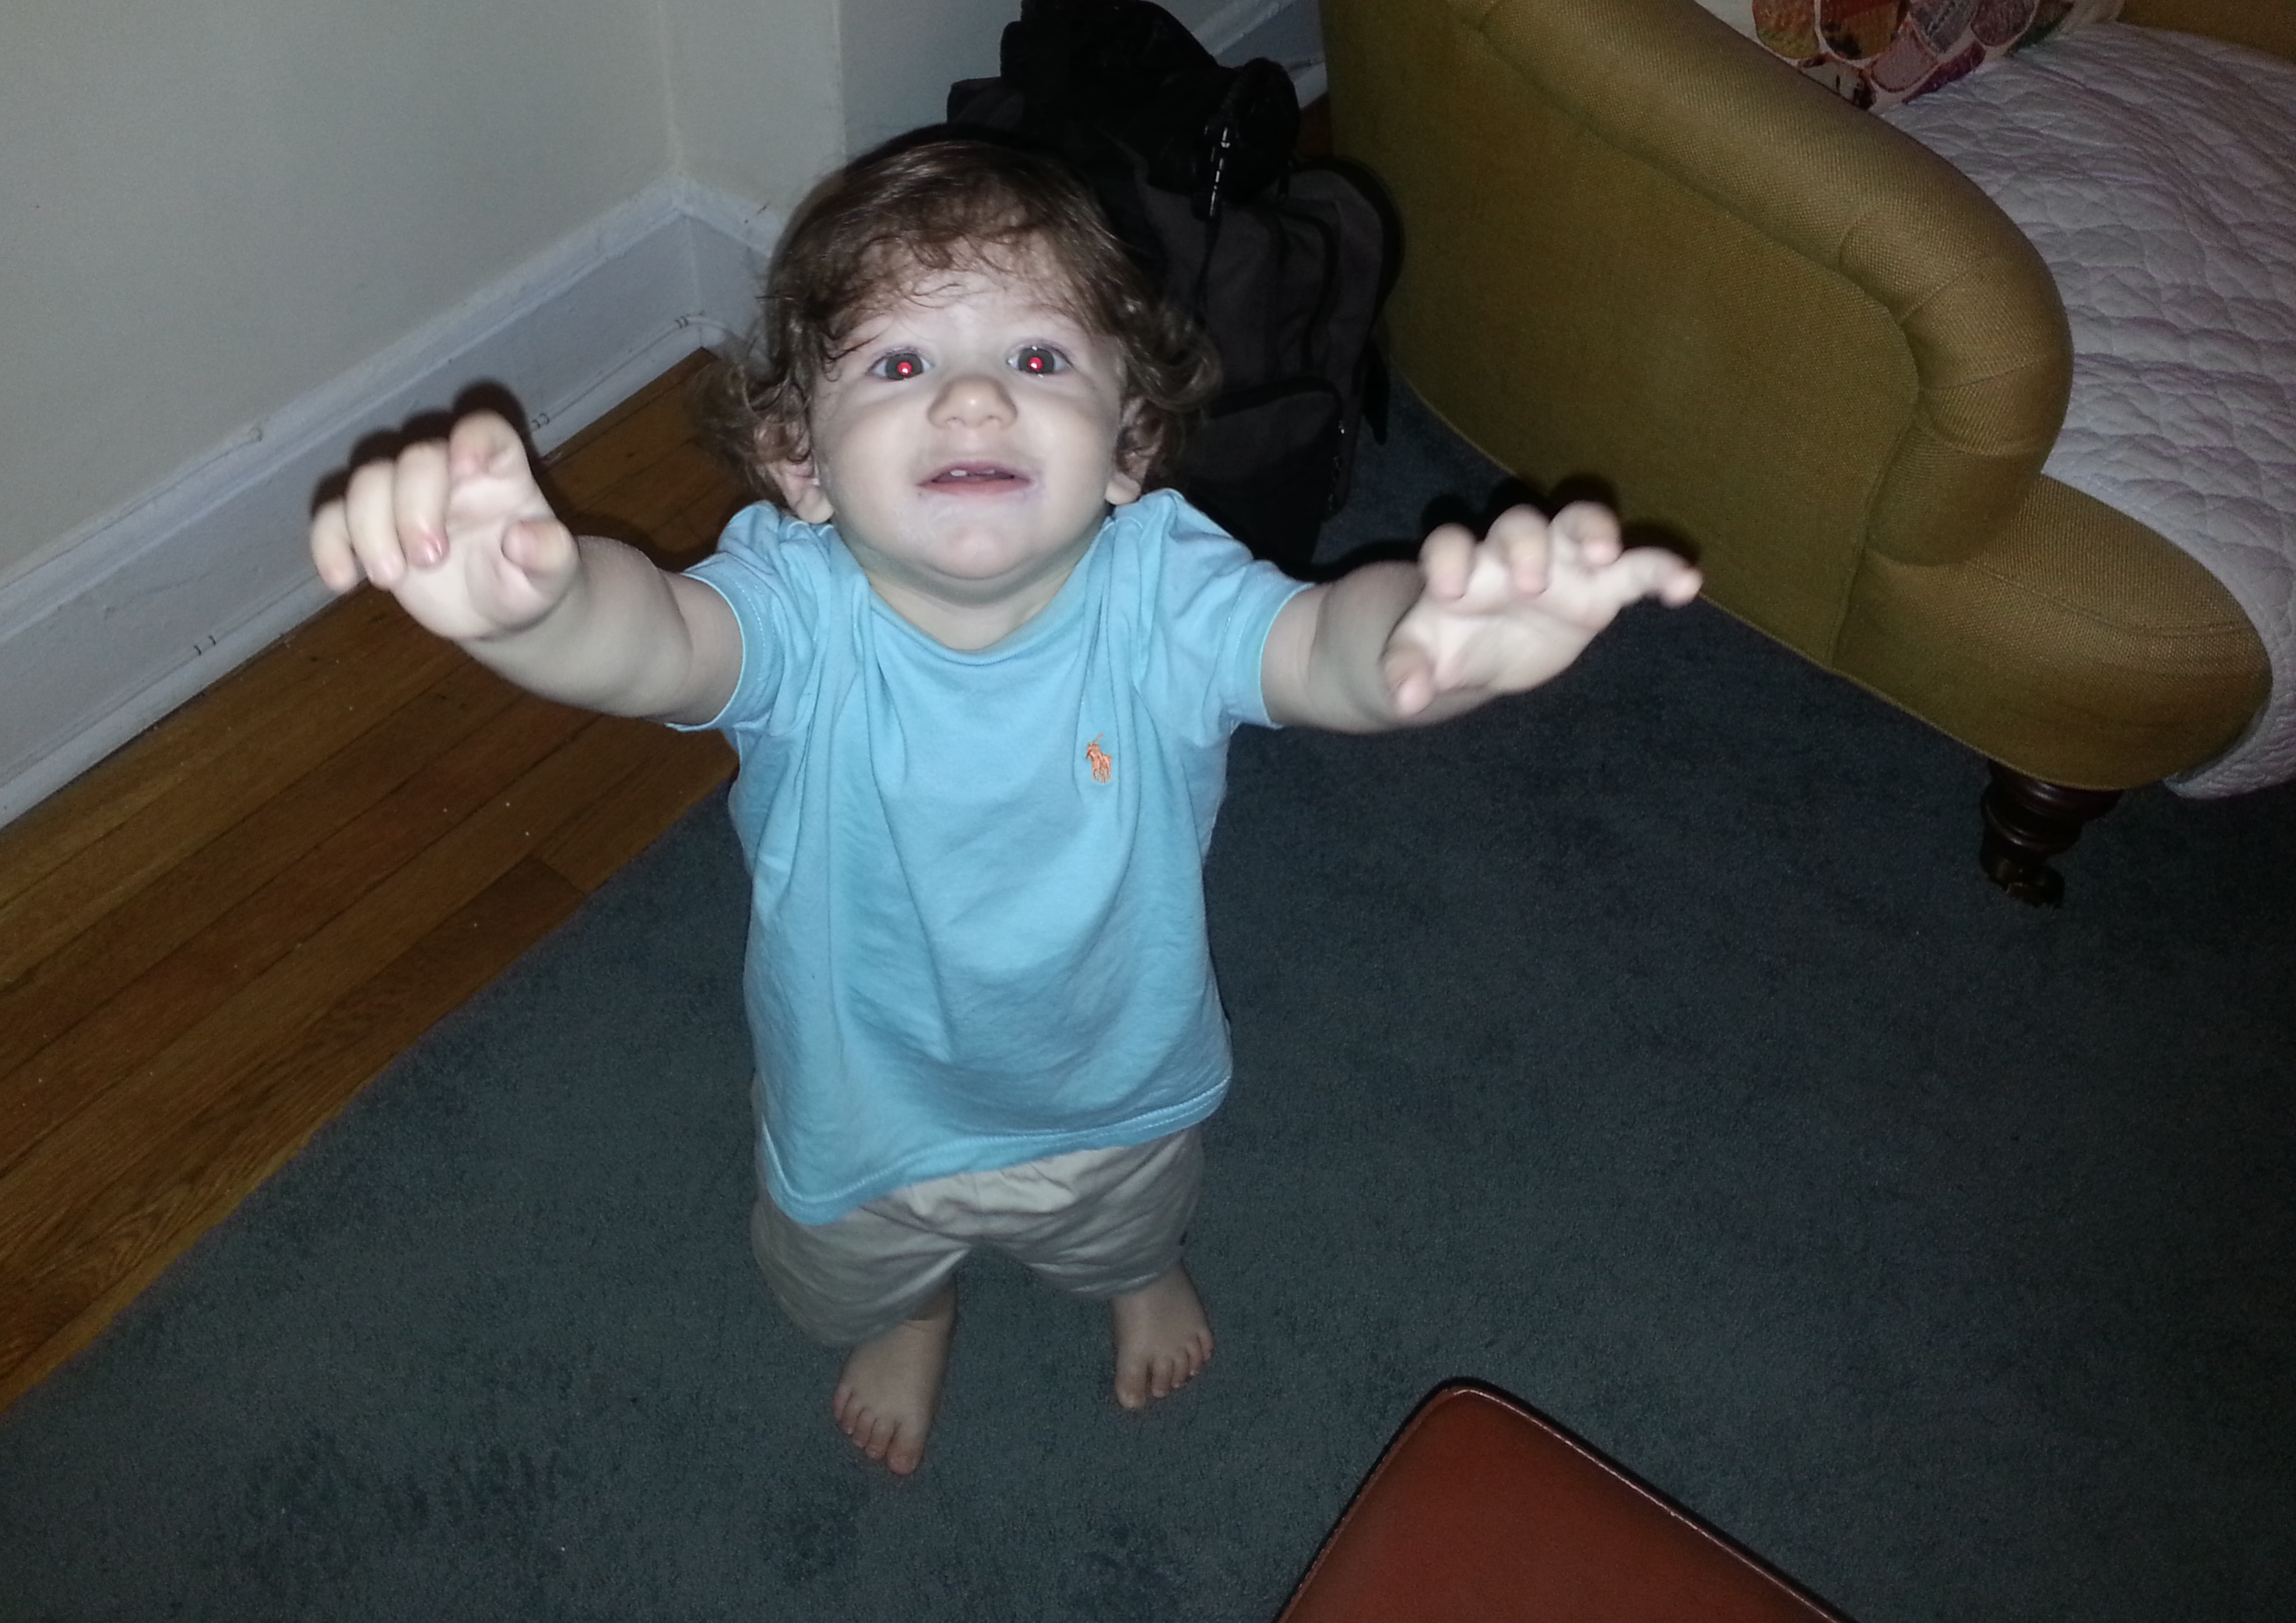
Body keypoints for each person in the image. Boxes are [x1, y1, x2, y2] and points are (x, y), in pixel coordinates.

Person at [308, 133, 1700, 1477]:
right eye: (899, 363)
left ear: (1129, 446)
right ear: (799, 461)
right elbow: (653, 643)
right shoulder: (794, 612)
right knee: (857, 1279)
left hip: (1117, 1095)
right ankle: (917, 1310)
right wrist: (539, 606)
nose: (972, 401)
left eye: (1037, 359)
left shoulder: (1166, 592)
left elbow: (1323, 644)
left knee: (1125, 1231)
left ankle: (1135, 1275)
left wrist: (1423, 643)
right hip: (861, 1117)